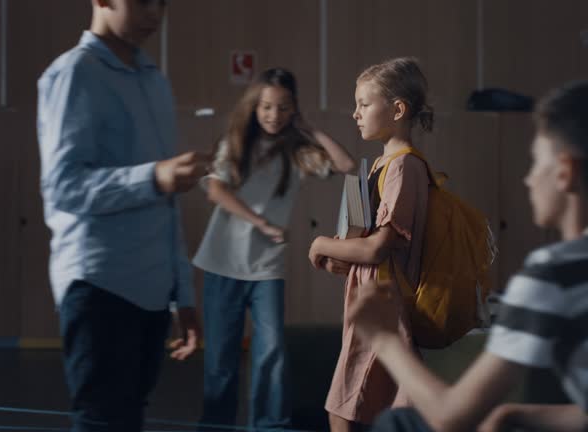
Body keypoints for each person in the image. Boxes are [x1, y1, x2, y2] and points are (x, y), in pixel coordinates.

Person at [347, 80, 588, 432]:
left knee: (398, 423)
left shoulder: (553, 274)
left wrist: (384, 338)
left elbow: (451, 417)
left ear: (565, 172)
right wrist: (513, 415)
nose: (528, 178)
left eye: (536, 161)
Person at [36, 1, 209, 431]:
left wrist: (181, 295)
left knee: (127, 420)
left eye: (162, 3)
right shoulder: (75, 72)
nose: (155, 13)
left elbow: (166, 201)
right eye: (143, 1)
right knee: (102, 422)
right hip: (99, 283)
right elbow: (63, 187)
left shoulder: (154, 80)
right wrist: (152, 177)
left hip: (151, 289)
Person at [193, 67, 355, 431]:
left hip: (266, 269)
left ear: (294, 109)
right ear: (254, 106)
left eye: (283, 108)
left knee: (271, 354)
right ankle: (215, 425)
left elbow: (346, 165)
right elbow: (215, 190)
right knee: (221, 359)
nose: (273, 115)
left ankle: (270, 426)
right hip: (221, 262)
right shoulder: (235, 141)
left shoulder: (298, 153)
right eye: (266, 106)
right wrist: (261, 223)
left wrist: (308, 128)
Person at [307, 57, 434, 431]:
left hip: (384, 305)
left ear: (397, 109)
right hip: (368, 301)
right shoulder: (380, 166)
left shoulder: (403, 167)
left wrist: (320, 244)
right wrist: (337, 255)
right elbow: (362, 247)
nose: (356, 114)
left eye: (364, 104)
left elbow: (377, 249)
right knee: (381, 405)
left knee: (343, 407)